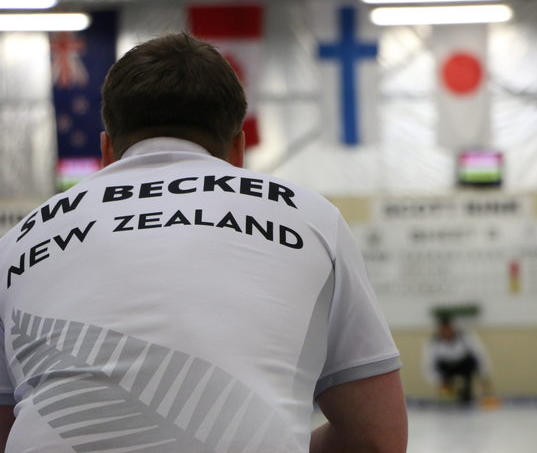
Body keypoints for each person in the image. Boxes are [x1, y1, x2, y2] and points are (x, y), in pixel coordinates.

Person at [0, 33, 407, 452]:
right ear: (238, 150)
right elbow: (378, 440)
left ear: (106, 151)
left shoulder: (17, 241)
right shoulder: (312, 219)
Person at [423, 316, 493, 405]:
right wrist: (439, 382)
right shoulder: (432, 342)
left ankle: (466, 397)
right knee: (448, 397)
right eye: (444, 329)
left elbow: (480, 356)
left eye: (449, 328)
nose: (446, 332)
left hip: (464, 367)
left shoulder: (466, 337)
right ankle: (449, 395)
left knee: (470, 364)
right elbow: (429, 366)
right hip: (445, 370)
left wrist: (484, 376)